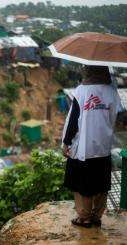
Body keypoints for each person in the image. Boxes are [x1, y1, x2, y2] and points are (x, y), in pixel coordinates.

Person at [62, 65, 121, 228]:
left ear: (88, 71)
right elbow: (113, 116)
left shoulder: (82, 91)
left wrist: (66, 142)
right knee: (101, 182)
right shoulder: (112, 91)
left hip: (84, 147)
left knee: (82, 183)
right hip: (103, 145)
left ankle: (84, 217)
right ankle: (96, 216)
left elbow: (73, 120)